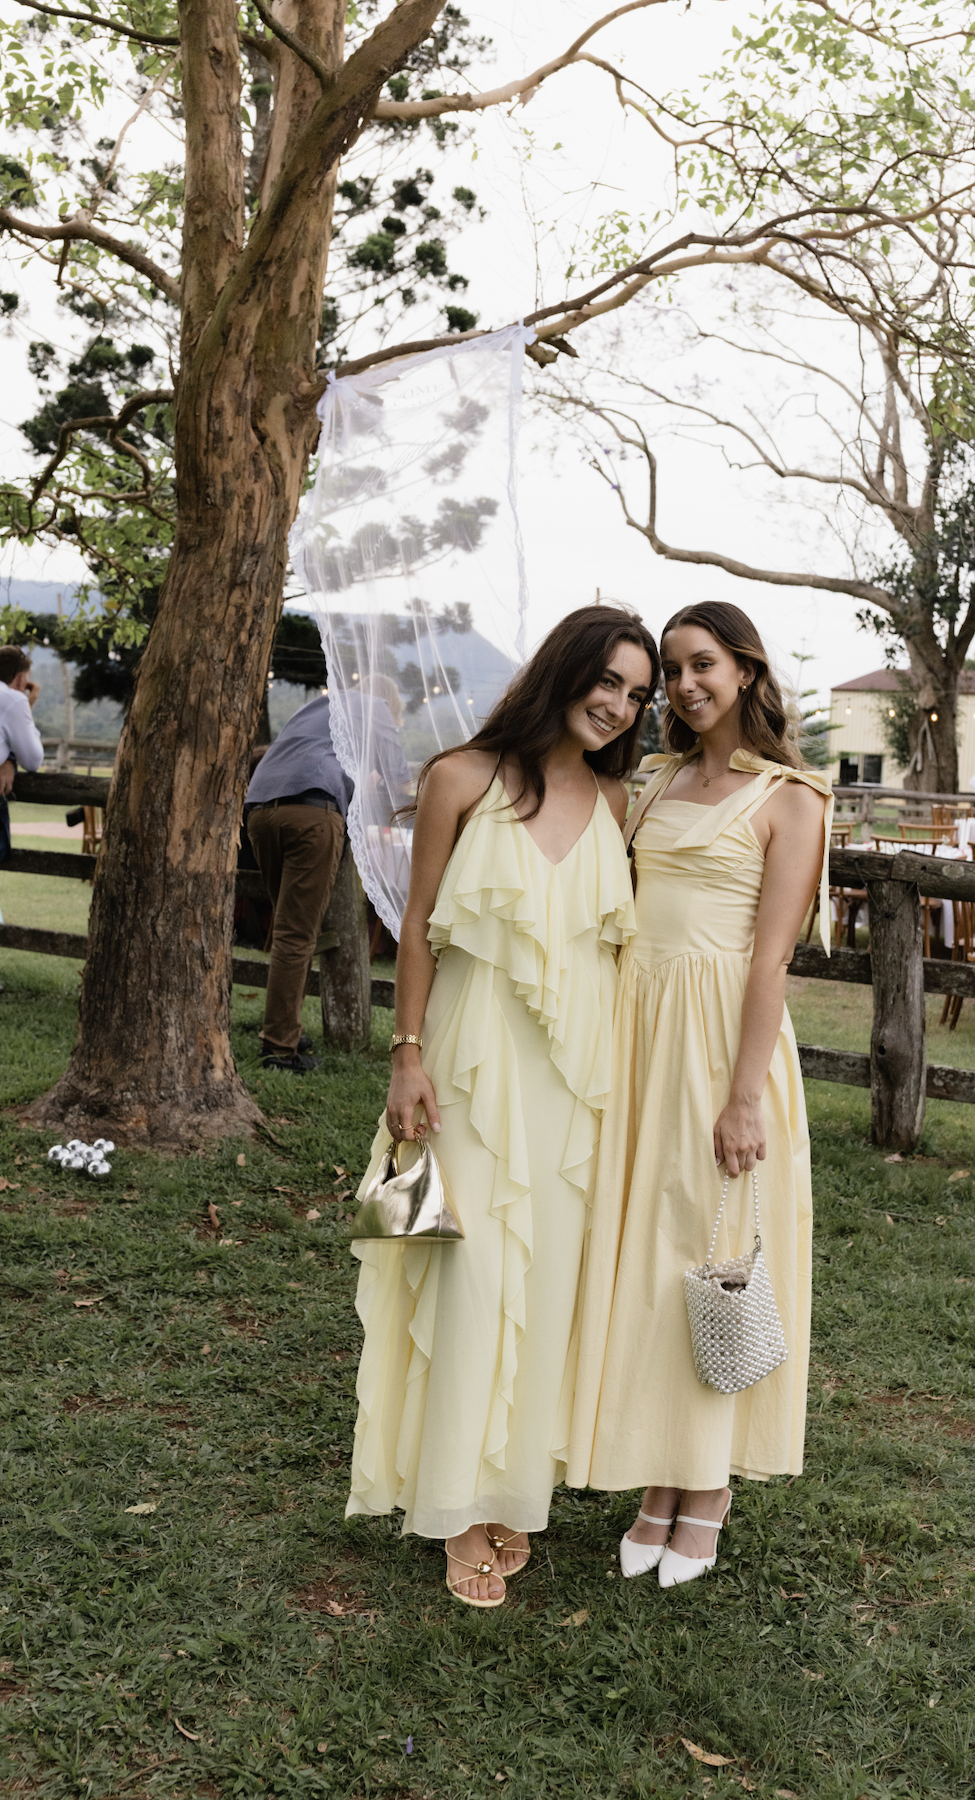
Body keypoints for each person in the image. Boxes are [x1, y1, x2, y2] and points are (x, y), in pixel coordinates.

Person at [345, 606, 658, 1609]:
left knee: (549, 1285)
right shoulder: (460, 778)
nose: (618, 706)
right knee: (467, 1280)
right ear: (565, 670)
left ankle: (515, 1490)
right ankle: (452, 1508)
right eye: (607, 680)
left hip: (574, 1081)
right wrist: (405, 1058)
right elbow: (421, 932)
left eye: (637, 695)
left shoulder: (615, 804)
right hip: (468, 1067)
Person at [566, 601, 831, 1590]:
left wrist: (744, 1095)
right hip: (637, 1029)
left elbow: (771, 957)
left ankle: (707, 1483)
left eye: (701, 664)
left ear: (747, 670)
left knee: (712, 1243)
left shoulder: (791, 797)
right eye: (670, 669)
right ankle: (656, 1473)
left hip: (723, 1039)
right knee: (642, 1249)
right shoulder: (652, 782)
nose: (682, 684)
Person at [245, 680, 408, 1071]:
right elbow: (399, 778)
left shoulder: (321, 705)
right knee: (296, 934)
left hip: (260, 808)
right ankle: (279, 1048)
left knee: (288, 930)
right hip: (312, 811)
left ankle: (285, 1026)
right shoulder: (377, 708)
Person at [0, 645, 44, 864]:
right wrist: (27, 704)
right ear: (20, 680)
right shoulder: (13, 699)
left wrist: (7, 758)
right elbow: (33, 760)